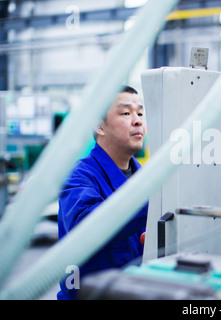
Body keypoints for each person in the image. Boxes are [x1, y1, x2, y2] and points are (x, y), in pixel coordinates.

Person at [57, 85, 148, 300]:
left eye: (140, 113)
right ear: (100, 126)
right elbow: (87, 226)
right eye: (126, 113)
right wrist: (151, 199)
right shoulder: (79, 176)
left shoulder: (146, 177)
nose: (138, 121)